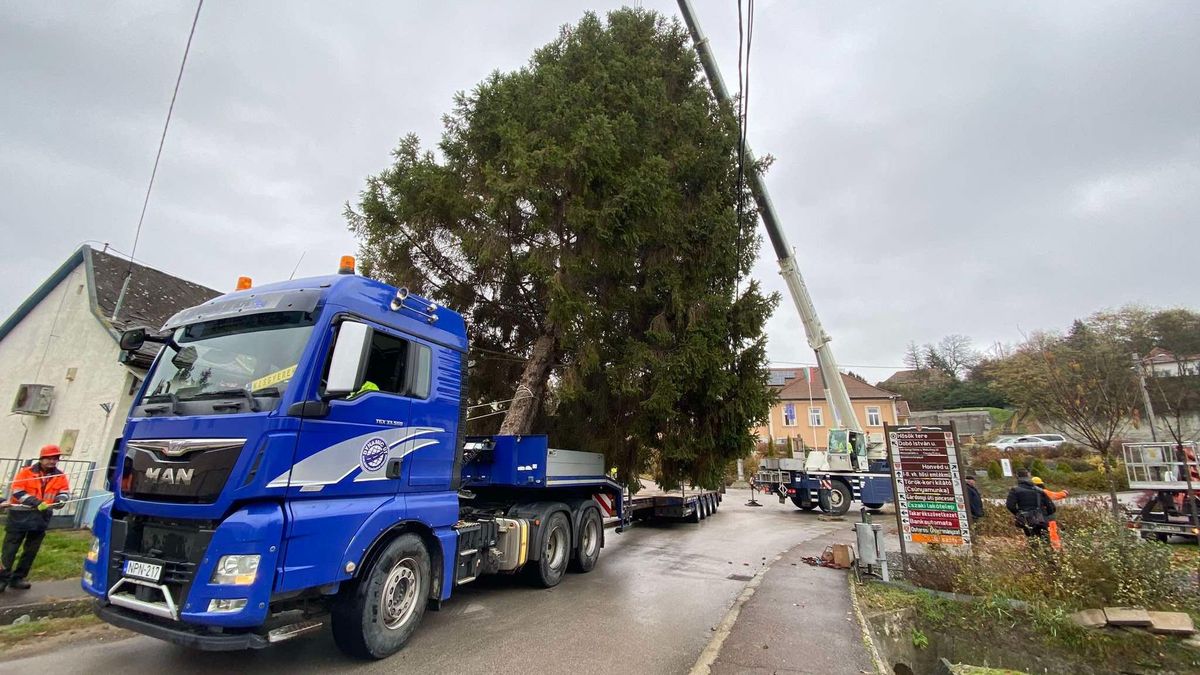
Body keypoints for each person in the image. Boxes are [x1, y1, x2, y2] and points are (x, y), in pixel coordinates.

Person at [1, 445, 71, 592]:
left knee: (31, 551)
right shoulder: (26, 472)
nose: (53, 461)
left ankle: (18, 578)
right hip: (19, 516)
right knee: (9, 550)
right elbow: (18, 492)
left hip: (41, 518)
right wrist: (36, 502)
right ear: (42, 458)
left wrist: (61, 500)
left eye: (55, 458)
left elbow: (64, 492)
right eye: (50, 458)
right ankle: (2, 579)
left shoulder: (59, 476)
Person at [1005, 469, 1055, 543]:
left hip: (1027, 519)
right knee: (1045, 542)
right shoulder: (1039, 490)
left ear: (1017, 477)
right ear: (1029, 477)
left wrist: (1019, 514)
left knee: (1033, 542)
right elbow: (1052, 508)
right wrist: (1044, 514)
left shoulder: (1015, 490)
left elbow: (1010, 506)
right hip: (1042, 519)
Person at [1032, 476, 1068, 550]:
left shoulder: (1027, 493)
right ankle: (1056, 549)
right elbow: (1055, 495)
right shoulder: (1043, 491)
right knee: (1052, 533)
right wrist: (1064, 493)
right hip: (1047, 516)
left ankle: (1037, 549)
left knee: (1036, 534)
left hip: (1033, 518)